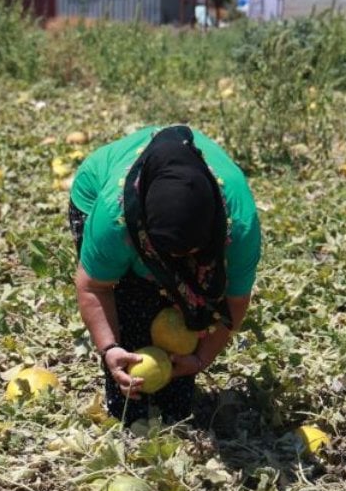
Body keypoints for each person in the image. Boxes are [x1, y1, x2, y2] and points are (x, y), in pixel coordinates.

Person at [69, 125, 261, 425]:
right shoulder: (113, 218)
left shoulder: (239, 225)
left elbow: (234, 301)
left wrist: (201, 358)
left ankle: (170, 403)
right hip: (95, 194)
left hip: (186, 224)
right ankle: (129, 411)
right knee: (131, 324)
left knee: (180, 340)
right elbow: (94, 287)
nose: (176, 263)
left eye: (189, 253)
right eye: (165, 253)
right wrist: (110, 348)